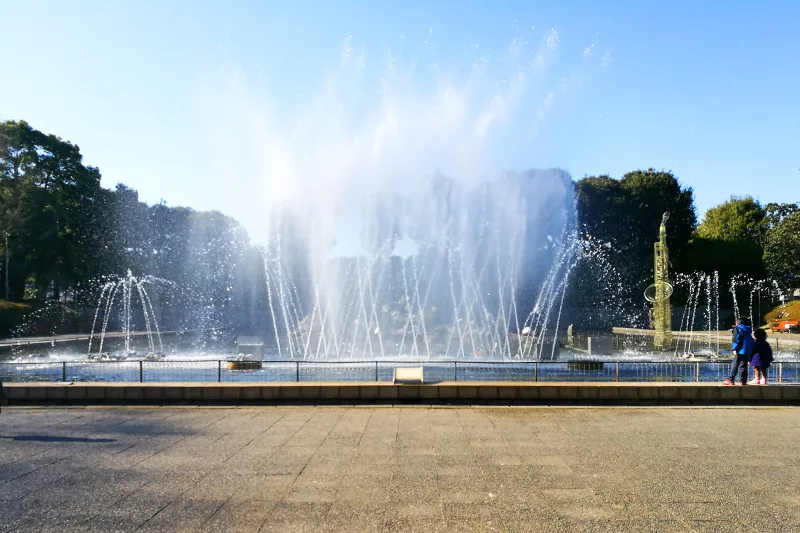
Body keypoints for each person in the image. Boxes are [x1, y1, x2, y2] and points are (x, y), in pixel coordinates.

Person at [724, 317, 753, 386]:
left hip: (740, 349)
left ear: (738, 323)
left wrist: (735, 349)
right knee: (743, 365)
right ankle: (743, 381)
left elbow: (736, 339)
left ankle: (730, 379)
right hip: (747, 350)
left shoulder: (737, 328)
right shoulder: (748, 329)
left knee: (735, 364)